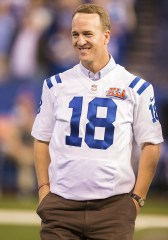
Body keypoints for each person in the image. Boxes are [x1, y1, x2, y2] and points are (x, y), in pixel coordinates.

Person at [31, 3, 163, 240]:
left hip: (112, 211)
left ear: (106, 36)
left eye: (88, 34)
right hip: (61, 208)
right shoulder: (55, 85)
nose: (80, 41)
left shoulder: (136, 87)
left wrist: (136, 200)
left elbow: (151, 145)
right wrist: (44, 190)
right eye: (75, 34)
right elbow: (41, 139)